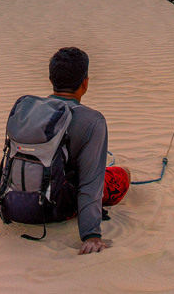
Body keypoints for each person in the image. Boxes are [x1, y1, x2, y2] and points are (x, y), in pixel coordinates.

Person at [47, 46, 131, 254]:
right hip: (56, 206)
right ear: (85, 84)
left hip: (17, 202)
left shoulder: (26, 108)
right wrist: (91, 235)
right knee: (123, 174)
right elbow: (91, 183)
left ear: (51, 80)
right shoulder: (93, 120)